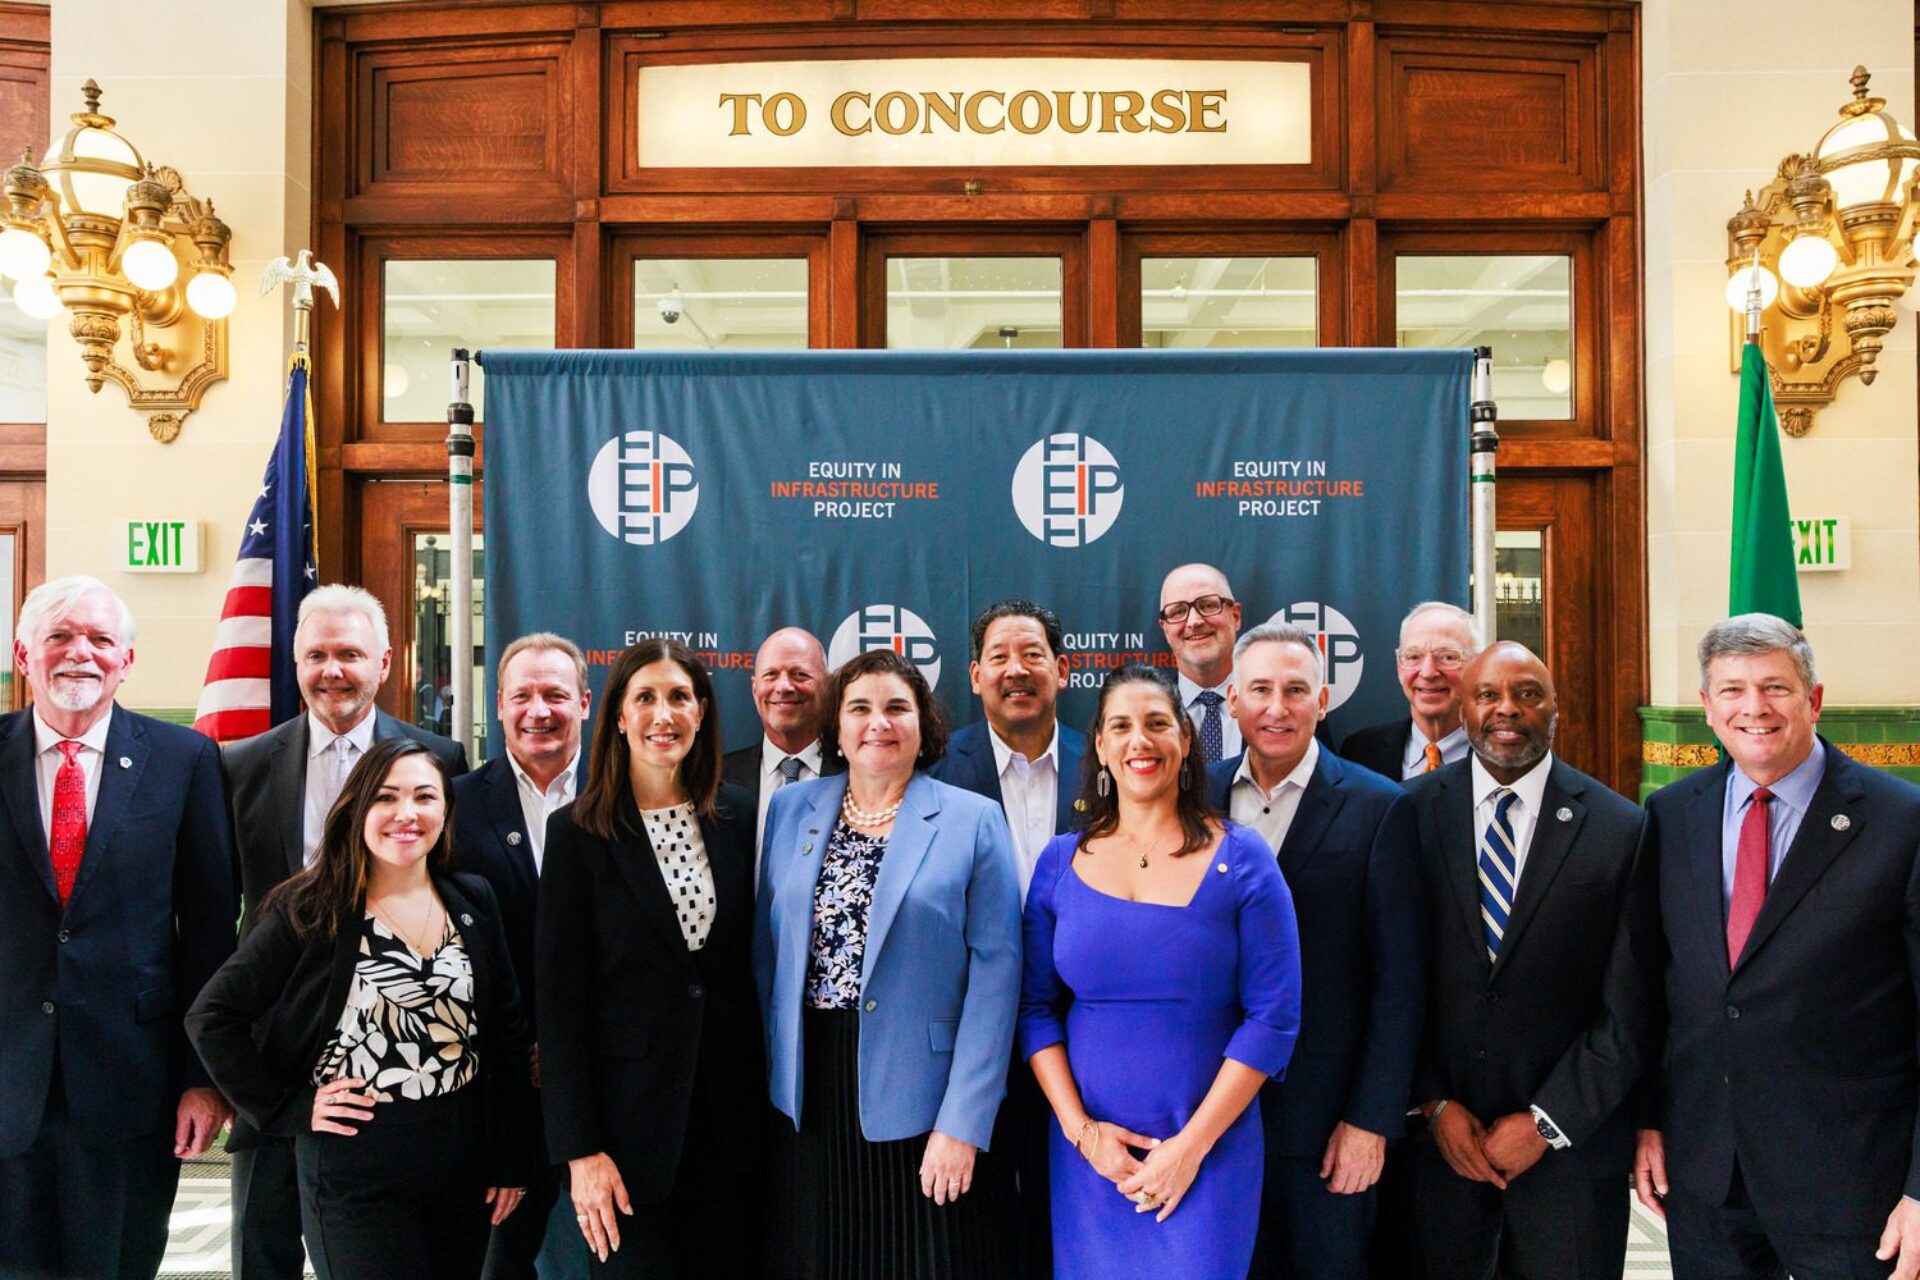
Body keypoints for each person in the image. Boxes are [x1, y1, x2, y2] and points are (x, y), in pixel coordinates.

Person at [187, 738, 539, 1280]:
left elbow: (506, 1034)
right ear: (357, 810)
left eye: (425, 797)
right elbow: (212, 1017)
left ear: (446, 810)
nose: (406, 814)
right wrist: (286, 1110)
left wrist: (512, 1157)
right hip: (355, 1168)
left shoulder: (473, 899)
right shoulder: (311, 906)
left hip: (463, 1164)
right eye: (386, 798)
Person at [1634, 614, 1920, 1279]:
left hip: (1855, 1187)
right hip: (1707, 1178)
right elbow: (1654, 989)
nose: (1754, 708)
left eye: (1775, 687)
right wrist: (1648, 1121)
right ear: (1707, 708)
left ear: (1814, 699)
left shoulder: (1901, 823)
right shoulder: (1672, 816)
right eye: (1732, 690)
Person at [1021, 663, 1302, 1280]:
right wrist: (1083, 1134)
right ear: (1099, 744)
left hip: (1209, 1153)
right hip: (1090, 1161)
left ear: (1184, 739)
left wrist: (1190, 1149)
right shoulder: (1058, 862)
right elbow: (1035, 1009)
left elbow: (1274, 1017)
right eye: (1119, 726)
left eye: (1156, 724)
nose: (1138, 741)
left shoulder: (1242, 856)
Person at [222, 583, 469, 1280]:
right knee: (262, 1246)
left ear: (384, 663)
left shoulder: (441, 761)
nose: (333, 670)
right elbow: (218, 917)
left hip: (392, 1054)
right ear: (296, 663)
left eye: (350, 654)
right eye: (317, 655)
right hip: (278, 1047)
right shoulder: (239, 766)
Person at [756, 647, 1023, 1279]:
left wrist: (963, 1122)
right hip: (809, 1097)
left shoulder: (973, 820)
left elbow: (997, 979)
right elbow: (768, 955)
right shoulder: (792, 810)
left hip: (925, 1106)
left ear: (923, 725)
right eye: (860, 708)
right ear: (837, 728)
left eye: (897, 707)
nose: (879, 722)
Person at [0, 576, 238, 1280]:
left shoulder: (185, 761)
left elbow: (207, 933)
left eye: (101, 640)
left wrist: (204, 1079)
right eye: (60, 637)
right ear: (23, 655)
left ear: (127, 661)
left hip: (132, 1087)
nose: (82, 654)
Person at [1404, 641, 1658, 1279]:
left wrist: (1548, 1122)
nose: (1506, 709)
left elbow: (1633, 1003)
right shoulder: (1407, 815)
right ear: (1462, 711)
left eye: (1526, 693)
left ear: (1556, 711)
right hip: (1438, 1157)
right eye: (1488, 695)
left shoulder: (1622, 829)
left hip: (1571, 1164)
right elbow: (1389, 980)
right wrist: (1432, 1101)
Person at [538, 638, 765, 1276]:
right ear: (616, 716)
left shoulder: (739, 817)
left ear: (702, 714)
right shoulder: (577, 832)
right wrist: (581, 1153)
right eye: (645, 698)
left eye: (679, 698)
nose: (662, 715)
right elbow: (559, 1006)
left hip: (730, 1132)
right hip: (627, 1142)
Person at [1207, 624, 1423, 1280]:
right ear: (1234, 701)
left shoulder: (1379, 807)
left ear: (1323, 701)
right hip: (1209, 1118)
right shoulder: (1194, 798)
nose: (1277, 707)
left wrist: (1370, 1120)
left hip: (1326, 1127)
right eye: (1261, 690)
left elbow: (1401, 980)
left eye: (1296, 690)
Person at [930, 598, 1089, 1278]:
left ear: (1063, 669)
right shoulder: (932, 771)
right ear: (973, 676)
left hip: (1085, 1044)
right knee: (978, 1238)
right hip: (966, 1046)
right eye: (999, 657)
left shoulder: (1109, 763)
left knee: (1074, 1224)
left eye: (1032, 656)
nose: (1016, 671)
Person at [453, 632, 591, 1280]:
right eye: (523, 696)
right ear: (499, 707)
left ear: (585, 703)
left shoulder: (632, 795)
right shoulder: (451, 806)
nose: (540, 710)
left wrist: (568, 1044)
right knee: (496, 1266)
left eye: (556, 694)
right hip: (497, 1091)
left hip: (605, 1082)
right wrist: (523, 1047)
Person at [721, 627, 841, 878]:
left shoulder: (857, 776)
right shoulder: (716, 779)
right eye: (771, 675)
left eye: (800, 674)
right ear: (755, 690)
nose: (784, 686)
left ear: (828, 685)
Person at [1340, 602, 1483, 781]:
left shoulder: (1497, 755)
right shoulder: (1359, 752)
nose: (1428, 672)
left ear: (1476, 666)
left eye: (1448, 657)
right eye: (1414, 657)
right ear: (1399, 665)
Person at [1157, 563, 1244, 766]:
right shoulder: (1145, 713)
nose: (1194, 621)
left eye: (1207, 605)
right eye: (1178, 611)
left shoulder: (1280, 705)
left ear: (1236, 616)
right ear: (1165, 630)